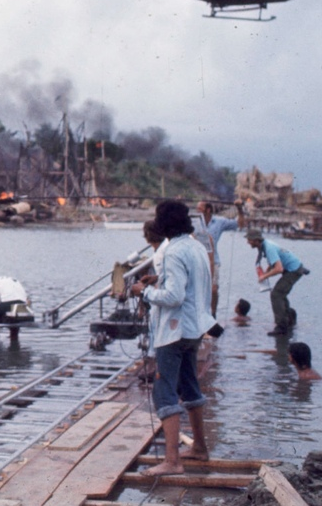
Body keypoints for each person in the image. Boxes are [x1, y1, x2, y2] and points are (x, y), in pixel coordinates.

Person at [130, 200, 216, 477]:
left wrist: (144, 293)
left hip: (174, 331)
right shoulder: (197, 246)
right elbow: (191, 287)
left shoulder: (173, 252)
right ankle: (200, 448)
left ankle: (172, 460)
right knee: (190, 386)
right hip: (194, 329)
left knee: (164, 390)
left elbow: (175, 296)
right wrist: (160, 282)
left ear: (164, 225)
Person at [246, 229, 308, 336]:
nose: (248, 242)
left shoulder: (268, 248)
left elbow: (279, 268)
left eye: (249, 240)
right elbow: (273, 262)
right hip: (293, 268)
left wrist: (264, 276)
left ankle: (281, 326)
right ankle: (289, 319)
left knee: (276, 294)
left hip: (293, 270)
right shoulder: (265, 245)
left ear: (256, 240)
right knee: (281, 293)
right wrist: (267, 271)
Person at [196, 201, 244, 316]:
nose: (197, 211)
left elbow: (239, 224)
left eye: (200, 208)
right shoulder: (195, 221)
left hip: (213, 260)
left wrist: (240, 209)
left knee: (213, 289)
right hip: (196, 259)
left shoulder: (219, 221)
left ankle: (213, 314)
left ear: (208, 210)